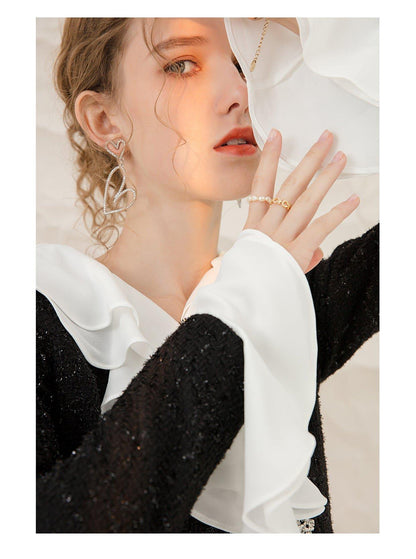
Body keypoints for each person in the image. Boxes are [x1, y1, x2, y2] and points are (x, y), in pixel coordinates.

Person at [36, 17, 379, 533]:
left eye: (244, 63)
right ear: (104, 120)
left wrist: (310, 19)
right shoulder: (40, 311)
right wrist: (240, 309)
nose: (241, 93)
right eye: (181, 65)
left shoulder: (285, 297)